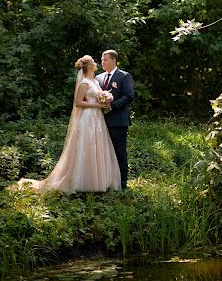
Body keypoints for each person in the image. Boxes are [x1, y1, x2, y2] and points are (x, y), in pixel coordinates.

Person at [9, 55, 121, 193]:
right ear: (89, 66)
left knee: (97, 147)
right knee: (86, 147)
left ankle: (98, 181)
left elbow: (97, 96)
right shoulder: (84, 82)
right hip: (87, 118)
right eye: (94, 62)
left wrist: (105, 99)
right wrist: (97, 104)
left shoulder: (95, 81)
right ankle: (81, 182)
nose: (96, 63)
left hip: (97, 118)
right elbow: (78, 102)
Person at [96, 49, 135, 189]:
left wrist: (112, 105)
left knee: (119, 152)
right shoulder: (98, 78)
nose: (102, 62)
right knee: (103, 152)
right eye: (101, 59)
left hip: (118, 121)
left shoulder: (124, 76)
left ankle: (122, 183)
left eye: (105, 59)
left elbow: (129, 95)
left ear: (113, 60)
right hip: (100, 121)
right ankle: (107, 181)